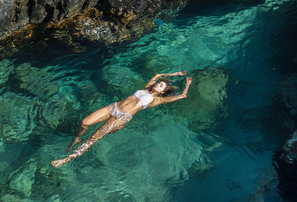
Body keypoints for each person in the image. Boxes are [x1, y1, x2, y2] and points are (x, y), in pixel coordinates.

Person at [51, 71, 192, 167]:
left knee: (93, 138)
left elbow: (182, 96)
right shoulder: (146, 88)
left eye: (160, 86)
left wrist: (188, 84)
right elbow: (157, 75)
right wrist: (176, 74)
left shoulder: (157, 100)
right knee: (84, 122)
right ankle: (77, 138)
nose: (157, 84)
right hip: (113, 107)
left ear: (162, 92)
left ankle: (65, 160)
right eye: (158, 83)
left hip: (121, 118)